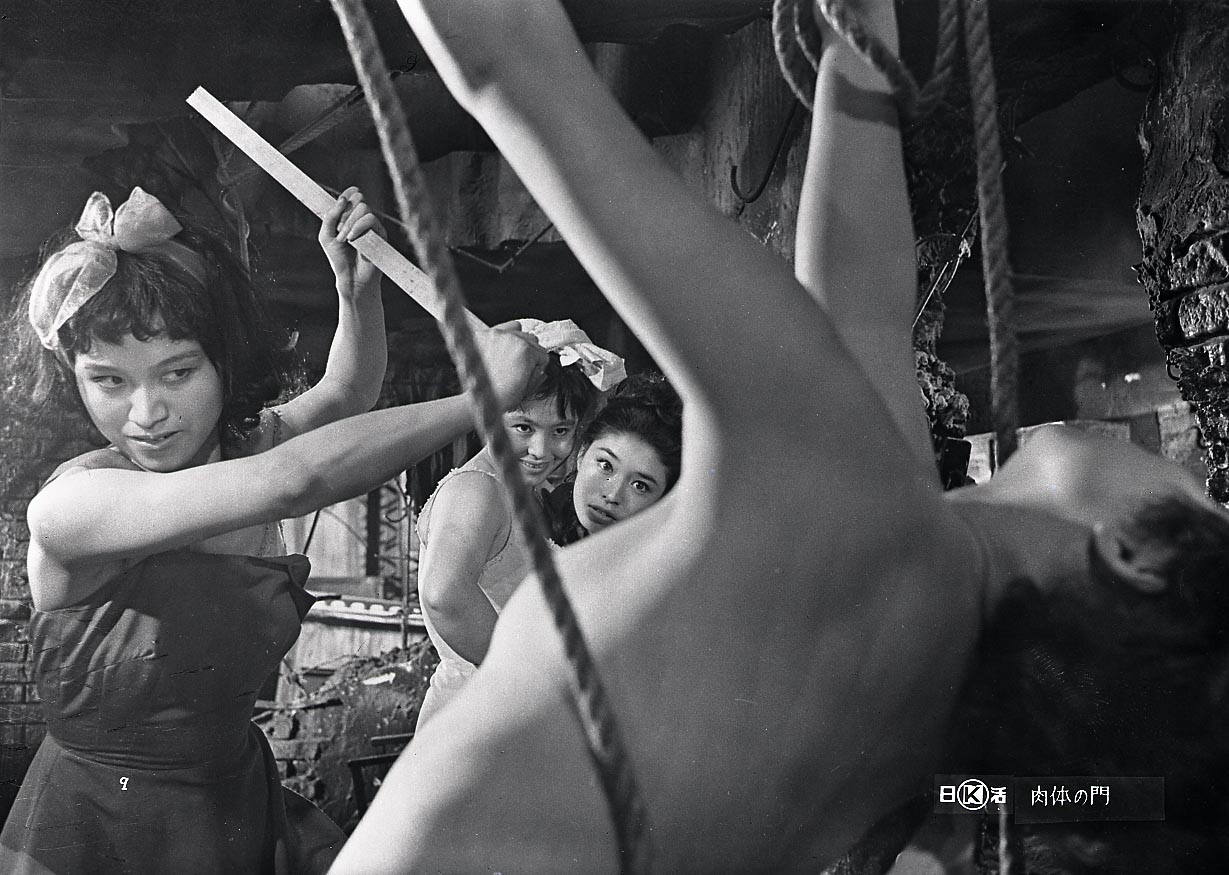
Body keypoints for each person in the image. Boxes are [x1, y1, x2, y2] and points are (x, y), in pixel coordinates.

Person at [330, 1, 1229, 873]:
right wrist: (856, 50)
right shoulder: (926, 717)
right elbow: (863, 310)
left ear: (1129, 559)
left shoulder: (848, 493)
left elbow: (506, 54)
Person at [0, 183, 545, 875]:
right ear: (71, 378)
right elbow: (295, 481)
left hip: (231, 799)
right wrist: (480, 399)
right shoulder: (72, 508)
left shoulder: (240, 448)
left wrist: (356, 291)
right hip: (105, 824)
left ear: (224, 361)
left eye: (178, 371)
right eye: (109, 381)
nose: (147, 413)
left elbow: (345, 393)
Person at [414, 318, 621, 727]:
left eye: (560, 430)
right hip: (479, 710)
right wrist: (528, 683)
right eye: (524, 427)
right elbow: (444, 596)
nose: (542, 450)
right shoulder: (478, 489)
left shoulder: (518, 490)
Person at [545, 371, 682, 546]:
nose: (612, 495)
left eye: (639, 485)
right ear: (582, 453)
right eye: (606, 466)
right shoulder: (549, 510)